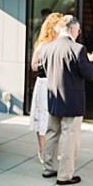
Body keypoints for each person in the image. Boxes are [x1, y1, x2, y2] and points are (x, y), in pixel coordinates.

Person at [36, 14, 93, 186]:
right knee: (70, 136)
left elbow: (41, 73)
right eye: (78, 30)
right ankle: (65, 175)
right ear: (72, 29)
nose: (78, 33)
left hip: (54, 97)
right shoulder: (78, 49)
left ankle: (49, 168)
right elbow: (89, 74)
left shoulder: (46, 48)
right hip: (73, 101)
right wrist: (92, 62)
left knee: (52, 133)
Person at [29, 13, 67, 168]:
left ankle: (52, 151)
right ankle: (43, 150)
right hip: (44, 84)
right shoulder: (43, 45)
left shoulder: (61, 43)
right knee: (43, 118)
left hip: (57, 84)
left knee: (54, 118)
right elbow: (33, 65)